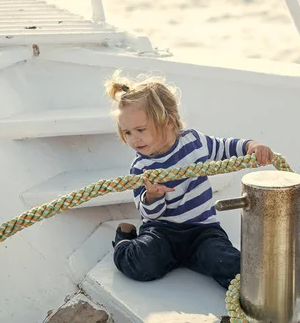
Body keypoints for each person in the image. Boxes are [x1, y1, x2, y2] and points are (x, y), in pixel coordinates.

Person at [104, 70, 274, 289]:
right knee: (141, 264)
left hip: (203, 230)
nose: (134, 138)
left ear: (169, 122)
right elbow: (148, 214)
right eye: (127, 133)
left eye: (140, 130)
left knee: (231, 264)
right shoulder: (141, 167)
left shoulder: (194, 143)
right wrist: (152, 197)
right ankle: (124, 240)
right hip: (162, 231)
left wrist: (251, 146)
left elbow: (224, 147)